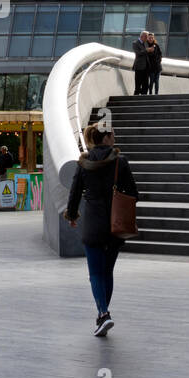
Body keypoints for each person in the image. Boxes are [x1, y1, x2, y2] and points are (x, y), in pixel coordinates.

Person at [64, 123, 139, 336]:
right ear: (105, 139)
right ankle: (102, 315)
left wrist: (71, 215)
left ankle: (103, 314)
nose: (114, 137)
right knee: (107, 272)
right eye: (112, 135)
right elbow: (134, 193)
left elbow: (75, 192)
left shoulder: (84, 162)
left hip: (93, 225)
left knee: (95, 273)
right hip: (115, 226)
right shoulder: (120, 162)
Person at [131, 31, 149, 95]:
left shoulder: (146, 43)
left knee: (146, 85)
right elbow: (138, 53)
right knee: (138, 85)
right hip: (139, 67)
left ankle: (144, 98)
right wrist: (146, 50)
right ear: (142, 36)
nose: (147, 38)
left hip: (146, 68)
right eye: (146, 37)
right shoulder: (135, 43)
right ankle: (135, 99)